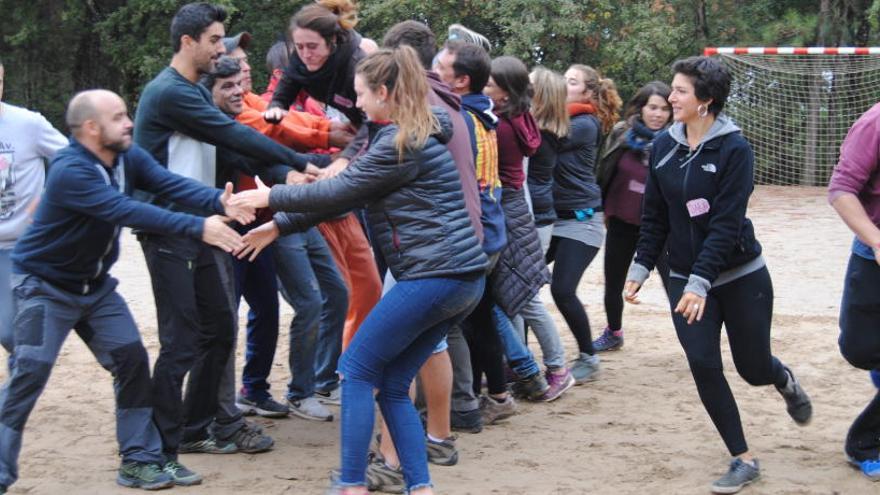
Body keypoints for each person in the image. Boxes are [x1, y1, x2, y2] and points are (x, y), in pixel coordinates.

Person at [232, 45, 487, 495]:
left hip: (435, 276)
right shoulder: (414, 133)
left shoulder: (400, 142)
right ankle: (420, 487)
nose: (359, 104)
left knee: (356, 370)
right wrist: (278, 226)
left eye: (362, 94)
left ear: (385, 92)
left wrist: (268, 197)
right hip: (462, 277)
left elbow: (341, 188)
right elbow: (347, 195)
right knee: (391, 383)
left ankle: (352, 484)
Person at [0, 89, 253, 493]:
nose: (129, 122)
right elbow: (124, 210)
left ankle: (138, 460)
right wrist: (197, 226)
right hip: (45, 289)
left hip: (95, 290)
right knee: (29, 373)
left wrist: (216, 200)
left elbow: (165, 182)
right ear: (91, 129)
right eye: (118, 117)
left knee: (132, 362)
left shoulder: (124, 156)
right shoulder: (71, 170)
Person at [133, 2, 323, 477]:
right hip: (168, 229)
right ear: (188, 42)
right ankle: (151, 453)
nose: (222, 49)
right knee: (181, 342)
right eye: (215, 40)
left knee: (219, 328)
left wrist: (287, 175)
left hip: (203, 228)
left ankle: (196, 427)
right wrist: (300, 164)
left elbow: (235, 145)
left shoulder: (192, 91)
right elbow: (234, 137)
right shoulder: (168, 93)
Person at [624, 56, 812, 494]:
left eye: (681, 91)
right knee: (704, 363)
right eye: (672, 89)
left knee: (752, 368)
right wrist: (641, 265)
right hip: (683, 278)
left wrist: (700, 281)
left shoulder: (734, 149)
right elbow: (655, 216)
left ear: (705, 101)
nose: (670, 97)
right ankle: (742, 458)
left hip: (741, 275)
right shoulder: (663, 147)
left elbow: (726, 226)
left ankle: (782, 379)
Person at [220, 35, 351, 421]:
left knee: (295, 300)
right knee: (244, 312)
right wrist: (324, 144)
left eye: (244, 62)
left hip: (281, 214)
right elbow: (271, 135)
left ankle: (261, 388)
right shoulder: (232, 114)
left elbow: (285, 126)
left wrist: (325, 141)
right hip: (251, 222)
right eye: (234, 63)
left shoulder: (253, 102)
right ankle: (246, 398)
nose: (244, 69)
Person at [477, 55, 550, 417]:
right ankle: (527, 369)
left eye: (488, 85)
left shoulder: (500, 126)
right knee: (503, 297)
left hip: (501, 205)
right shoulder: (521, 117)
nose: (482, 89)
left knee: (489, 300)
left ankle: (526, 370)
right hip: (515, 205)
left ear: (504, 94)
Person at [547, 64, 621, 382]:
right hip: (551, 219)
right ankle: (515, 359)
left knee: (562, 290)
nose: (564, 84)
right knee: (517, 286)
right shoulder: (560, 117)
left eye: (572, 81)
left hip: (582, 221)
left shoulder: (585, 123)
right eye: (563, 79)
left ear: (588, 93)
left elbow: (542, 138)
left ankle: (589, 358)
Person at [593, 81, 672, 352]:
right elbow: (605, 169)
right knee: (613, 283)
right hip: (622, 221)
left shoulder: (677, 141)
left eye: (665, 109)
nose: (658, 114)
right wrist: (600, 205)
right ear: (641, 107)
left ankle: (696, 339)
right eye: (653, 107)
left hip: (662, 228)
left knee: (676, 287)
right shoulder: (621, 133)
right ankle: (613, 332)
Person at [0, 58, 67, 363]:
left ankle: (16, 395)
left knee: (13, 332)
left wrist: (51, 198)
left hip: (22, 246)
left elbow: (72, 161)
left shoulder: (27, 124)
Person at [828, 99, 880, 481]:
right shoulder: (875, 122)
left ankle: (863, 442)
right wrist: (876, 241)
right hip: (872, 251)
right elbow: (842, 189)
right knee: (858, 349)